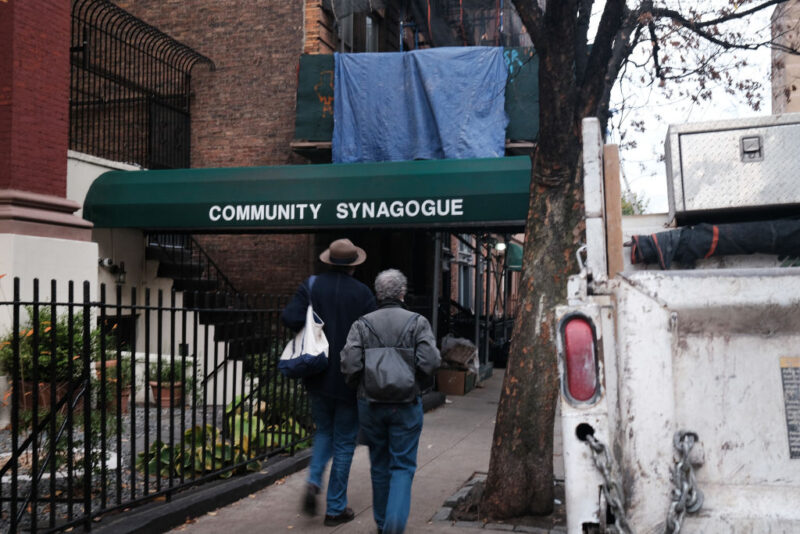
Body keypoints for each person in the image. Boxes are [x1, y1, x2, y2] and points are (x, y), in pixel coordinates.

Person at [281, 238, 377, 527]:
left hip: (317, 373)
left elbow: (289, 318)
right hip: (349, 378)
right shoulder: (363, 294)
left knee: (323, 431)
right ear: (353, 266)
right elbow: (371, 336)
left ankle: (313, 480)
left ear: (329, 261)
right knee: (345, 441)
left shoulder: (311, 286)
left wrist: (313, 322)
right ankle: (335, 508)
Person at [341, 269, 441, 534]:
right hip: (406, 403)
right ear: (402, 293)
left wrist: (361, 385)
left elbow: (350, 365)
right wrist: (415, 382)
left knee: (379, 465)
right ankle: (393, 528)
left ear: (378, 293)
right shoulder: (417, 322)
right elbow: (431, 362)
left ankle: (383, 524)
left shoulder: (361, 324)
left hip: (370, 404)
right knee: (402, 467)